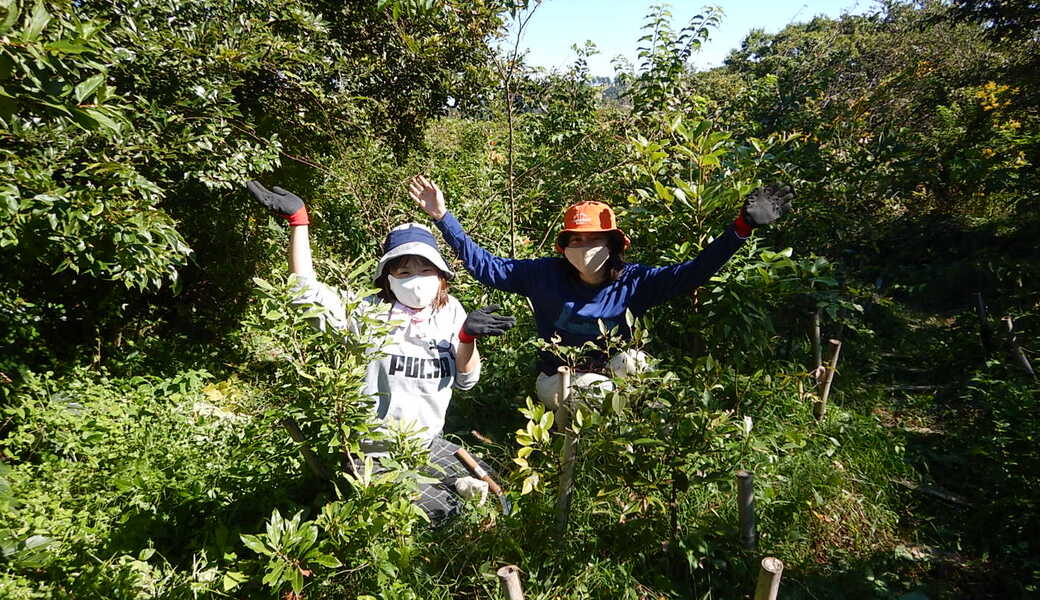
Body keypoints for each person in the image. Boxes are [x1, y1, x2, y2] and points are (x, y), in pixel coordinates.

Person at [247, 180, 515, 523]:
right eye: (404, 270)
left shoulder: (451, 312)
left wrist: (466, 338)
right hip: (374, 449)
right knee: (429, 513)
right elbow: (304, 294)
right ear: (387, 277)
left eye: (425, 268)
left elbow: (466, 381)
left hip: (427, 443)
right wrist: (299, 222)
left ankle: (455, 492)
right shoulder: (365, 311)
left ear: (440, 274)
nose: (415, 278)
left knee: (490, 483)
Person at [407, 175, 793, 407]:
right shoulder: (544, 275)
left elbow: (693, 273)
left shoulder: (635, 282)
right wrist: (443, 217)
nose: (585, 247)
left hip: (612, 367)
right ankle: (571, 449)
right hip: (557, 375)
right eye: (577, 240)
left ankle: (626, 446)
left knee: (639, 370)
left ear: (614, 245)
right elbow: (486, 265)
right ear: (564, 245)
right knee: (593, 394)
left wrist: (740, 229)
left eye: (595, 239)